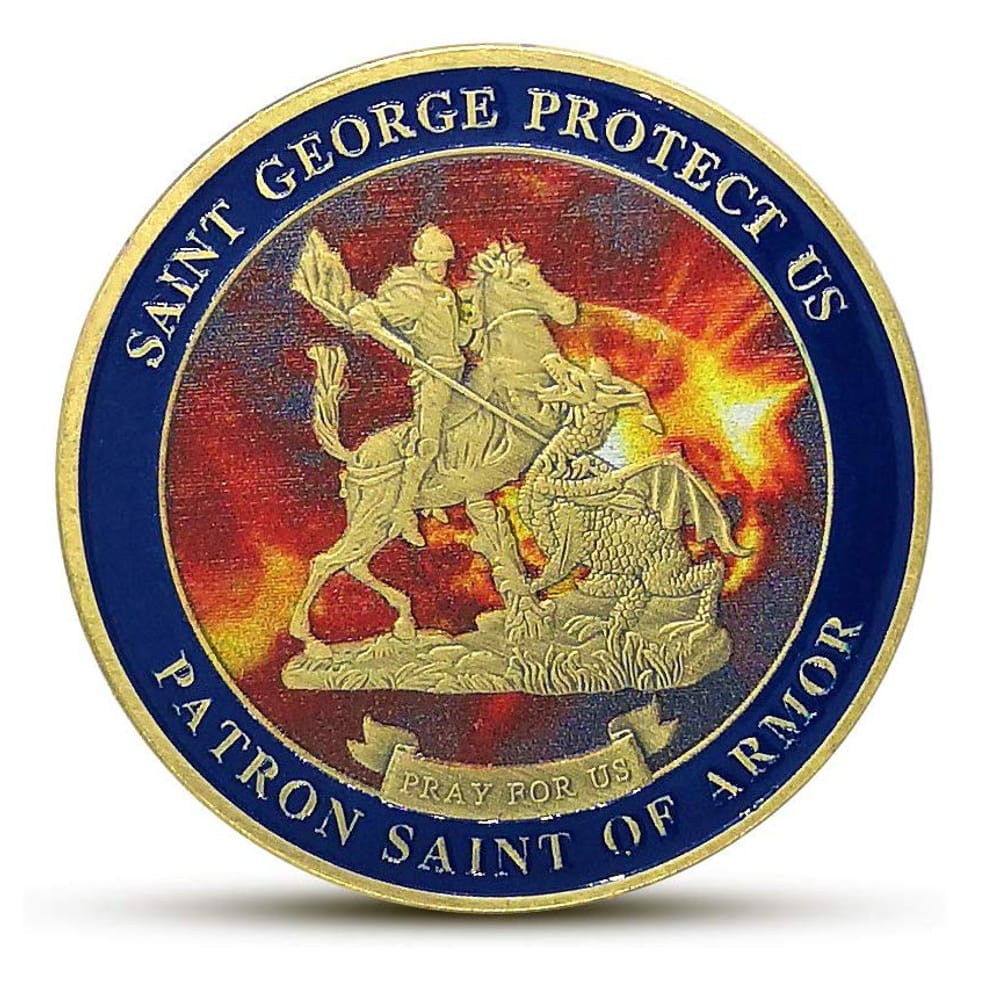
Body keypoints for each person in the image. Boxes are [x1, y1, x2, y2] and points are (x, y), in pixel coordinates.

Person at [348, 224, 477, 545]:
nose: (442, 269)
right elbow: (362, 314)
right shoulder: (411, 294)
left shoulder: (444, 293)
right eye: (436, 264)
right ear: (422, 263)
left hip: (456, 372)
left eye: (445, 264)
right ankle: (403, 510)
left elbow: (456, 337)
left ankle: (431, 495)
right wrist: (396, 343)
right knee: (428, 442)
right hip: (434, 377)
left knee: (456, 433)